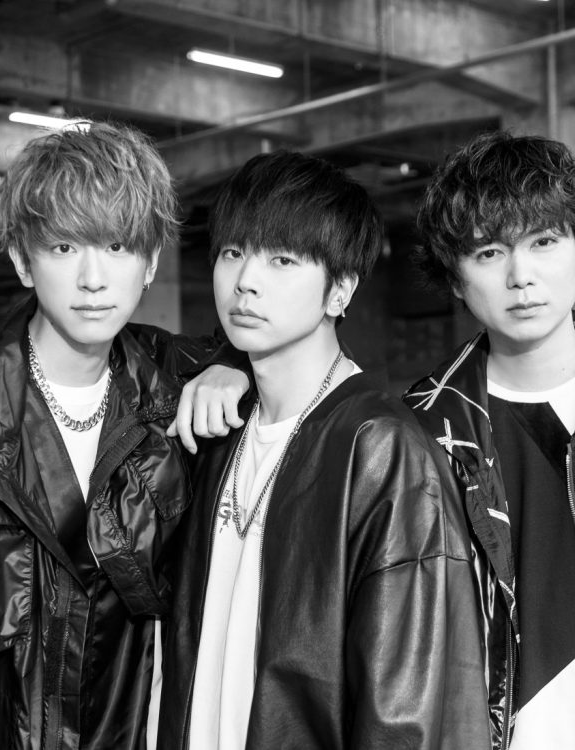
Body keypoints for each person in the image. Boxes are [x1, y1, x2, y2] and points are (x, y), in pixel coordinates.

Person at [0, 121, 246, 750]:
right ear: (23, 261)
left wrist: (234, 367)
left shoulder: (175, 387)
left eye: (118, 246)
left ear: (151, 263)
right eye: (65, 247)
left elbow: (287, 353)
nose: (94, 279)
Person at [159, 149, 490, 749]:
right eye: (232, 252)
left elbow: (404, 709)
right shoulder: (215, 429)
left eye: (282, 260)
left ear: (340, 290)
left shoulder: (381, 448)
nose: (246, 281)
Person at [404, 130, 575, 749]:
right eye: (489, 252)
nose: (520, 276)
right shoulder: (420, 431)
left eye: (544, 242)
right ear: (455, 277)